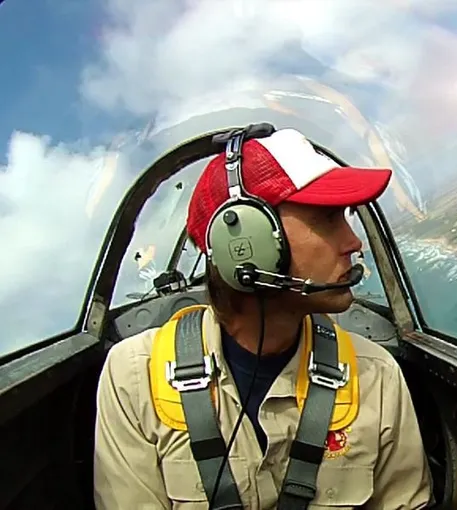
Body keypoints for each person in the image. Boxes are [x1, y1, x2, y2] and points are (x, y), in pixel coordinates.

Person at [93, 127, 433, 509]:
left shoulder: (376, 375)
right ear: (246, 243)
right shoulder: (134, 376)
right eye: (327, 219)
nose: (353, 242)